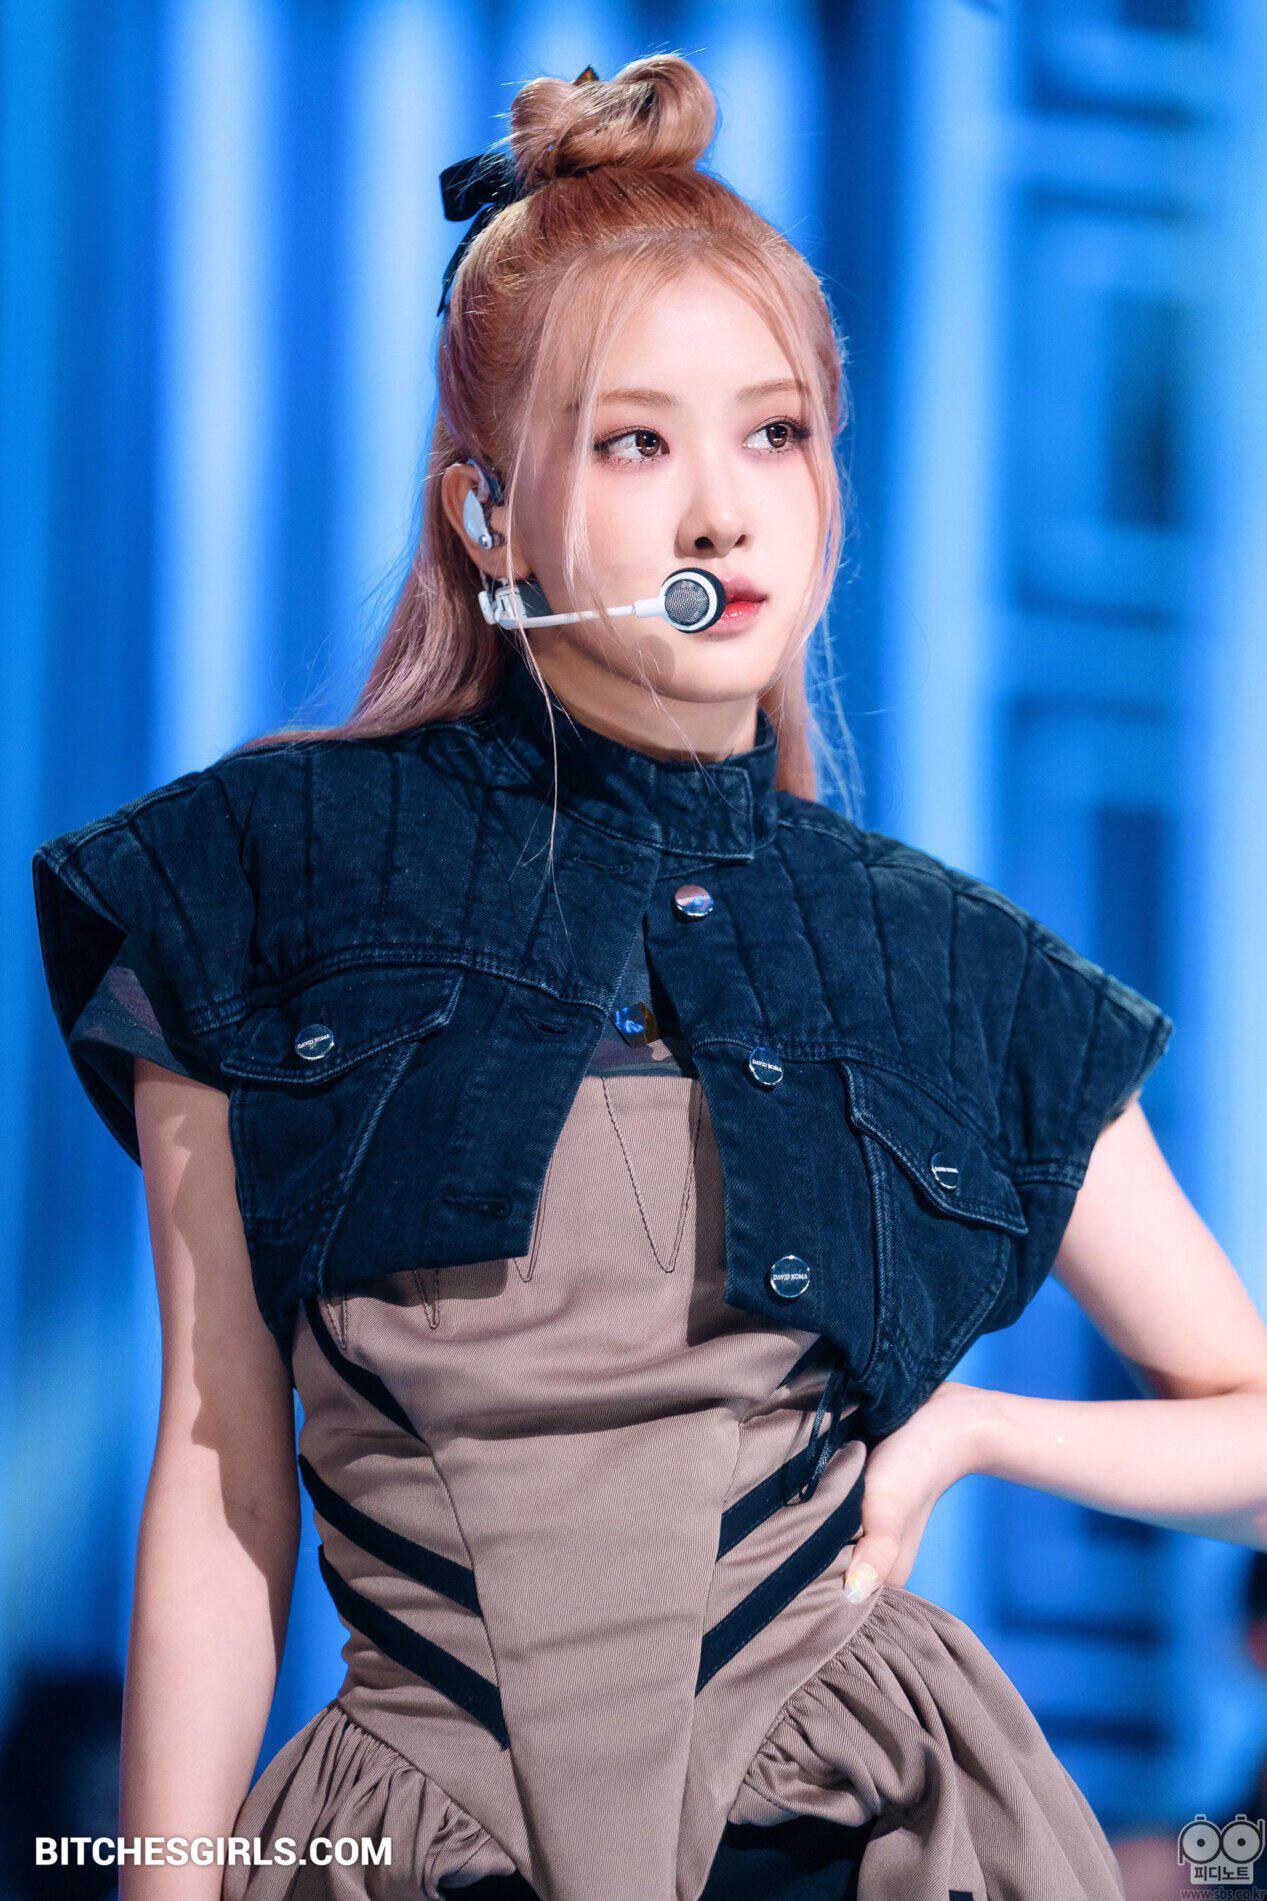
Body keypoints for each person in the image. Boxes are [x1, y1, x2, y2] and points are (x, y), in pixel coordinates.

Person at [29, 51, 1267, 1901]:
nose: (722, 514)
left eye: (777, 435)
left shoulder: (947, 966)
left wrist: (976, 1433)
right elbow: (219, 1480)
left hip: (866, 1836)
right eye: (635, 443)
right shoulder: (260, 878)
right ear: (487, 514)